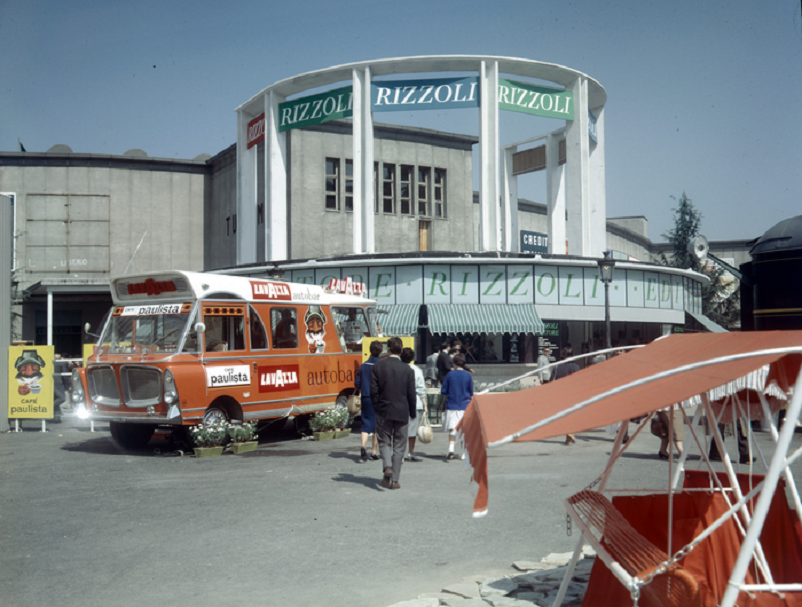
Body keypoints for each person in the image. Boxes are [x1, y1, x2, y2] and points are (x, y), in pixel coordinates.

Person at [370, 337, 416, 490]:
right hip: (402, 411)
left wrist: (377, 407)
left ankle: (387, 467)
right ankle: (395, 480)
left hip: (384, 411)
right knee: (399, 445)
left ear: (388, 349)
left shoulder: (378, 367)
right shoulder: (407, 370)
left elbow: (373, 391)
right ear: (401, 351)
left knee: (383, 441)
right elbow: (411, 394)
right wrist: (413, 411)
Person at [440, 353, 474, 460]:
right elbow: (471, 392)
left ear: (454, 363)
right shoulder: (468, 375)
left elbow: (443, 390)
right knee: (463, 430)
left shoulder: (450, 375)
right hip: (464, 406)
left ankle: (451, 448)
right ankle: (463, 453)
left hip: (452, 405)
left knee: (452, 429)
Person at [354, 340, 382, 462]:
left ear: (370, 350)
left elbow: (357, 383)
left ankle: (363, 447)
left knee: (365, 423)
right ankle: (374, 452)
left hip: (365, 396)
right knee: (377, 425)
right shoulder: (381, 365)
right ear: (380, 351)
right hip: (378, 398)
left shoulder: (363, 366)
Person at [401, 347, 427, 462]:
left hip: (399, 402)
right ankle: (411, 452)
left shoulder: (398, 368)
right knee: (412, 430)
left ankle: (399, 453)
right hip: (415, 402)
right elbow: (421, 388)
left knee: (400, 430)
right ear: (412, 358)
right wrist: (425, 404)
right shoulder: (417, 370)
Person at [554, 346, 581, 445]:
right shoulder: (575, 367)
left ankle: (568, 437)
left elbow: (552, 379)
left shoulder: (557, 366)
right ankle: (569, 433)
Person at [52, 353, 71, 422]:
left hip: (50, 383)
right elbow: (65, 375)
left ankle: (57, 418)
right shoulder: (61, 363)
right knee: (61, 398)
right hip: (58, 383)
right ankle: (49, 408)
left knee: (55, 398)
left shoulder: (50, 362)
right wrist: (67, 386)